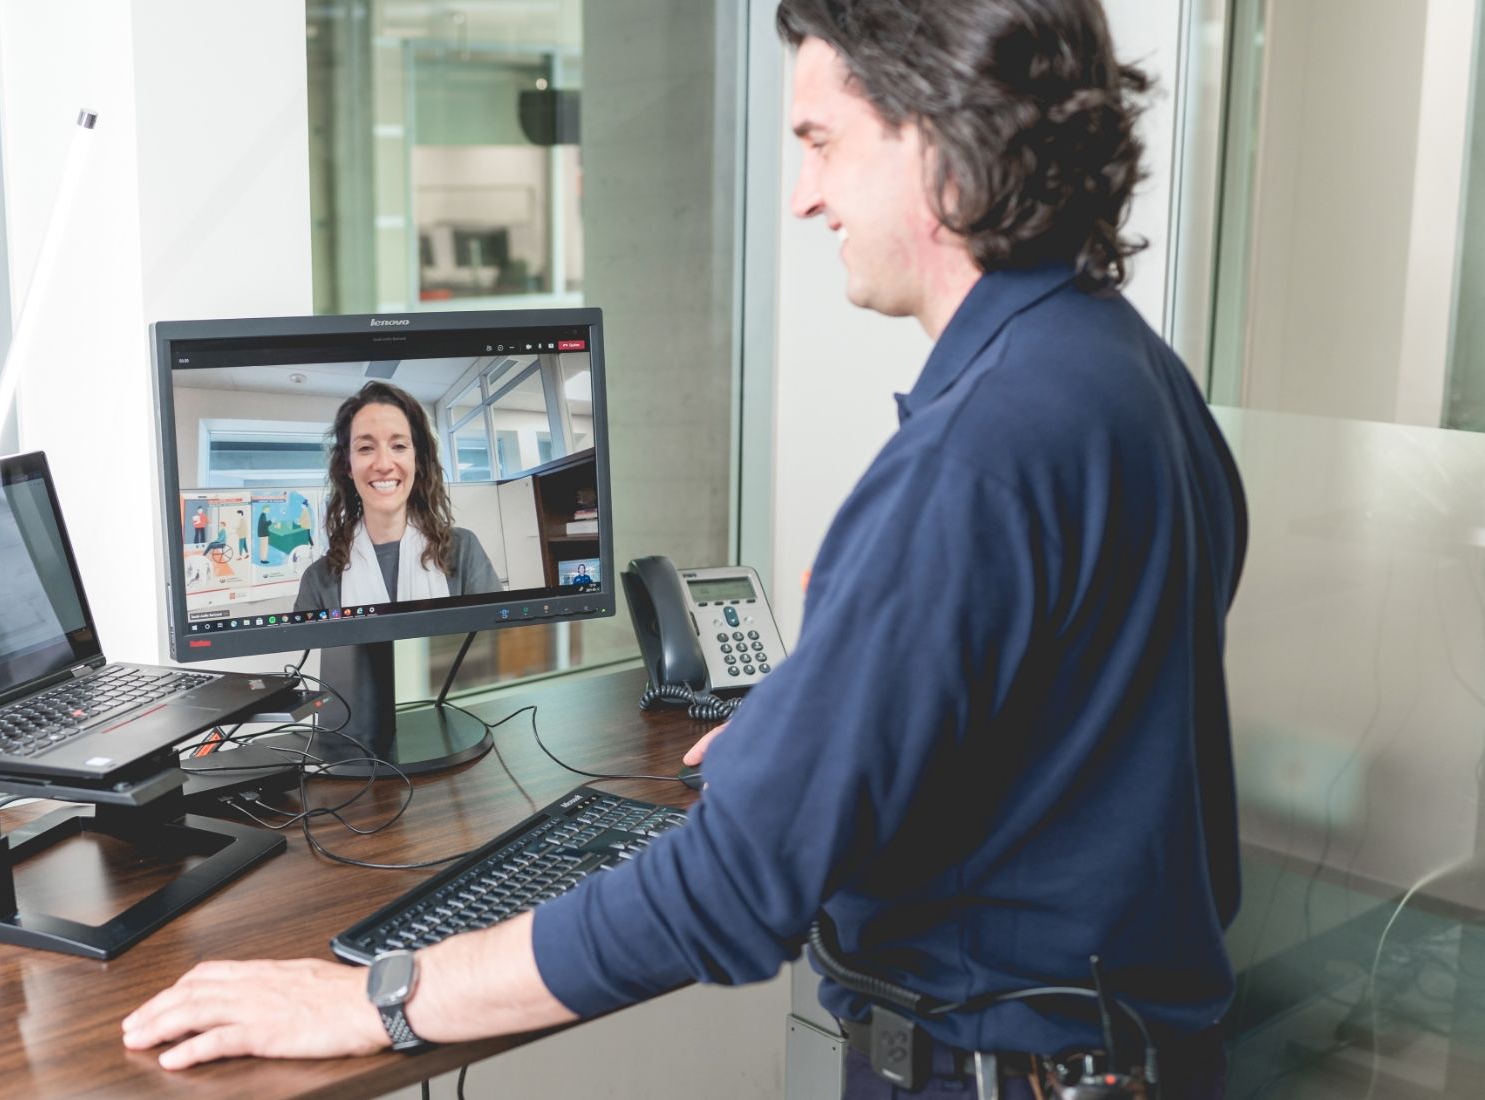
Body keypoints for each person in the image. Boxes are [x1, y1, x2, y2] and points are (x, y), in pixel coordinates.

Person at [121, 2, 1245, 1096]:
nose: (802, 196)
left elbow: (729, 888)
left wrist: (376, 997)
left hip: (996, 1063)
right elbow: (1065, 696)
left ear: (944, 134)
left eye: (820, 142)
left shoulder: (972, 457)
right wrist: (821, 720)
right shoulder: (1132, 373)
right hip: (1132, 1045)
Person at [291, 380, 499, 612]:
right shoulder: (319, 581)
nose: (383, 464)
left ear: (416, 460)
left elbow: (496, 644)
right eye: (365, 448)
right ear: (348, 466)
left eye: (399, 446)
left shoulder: (462, 552)